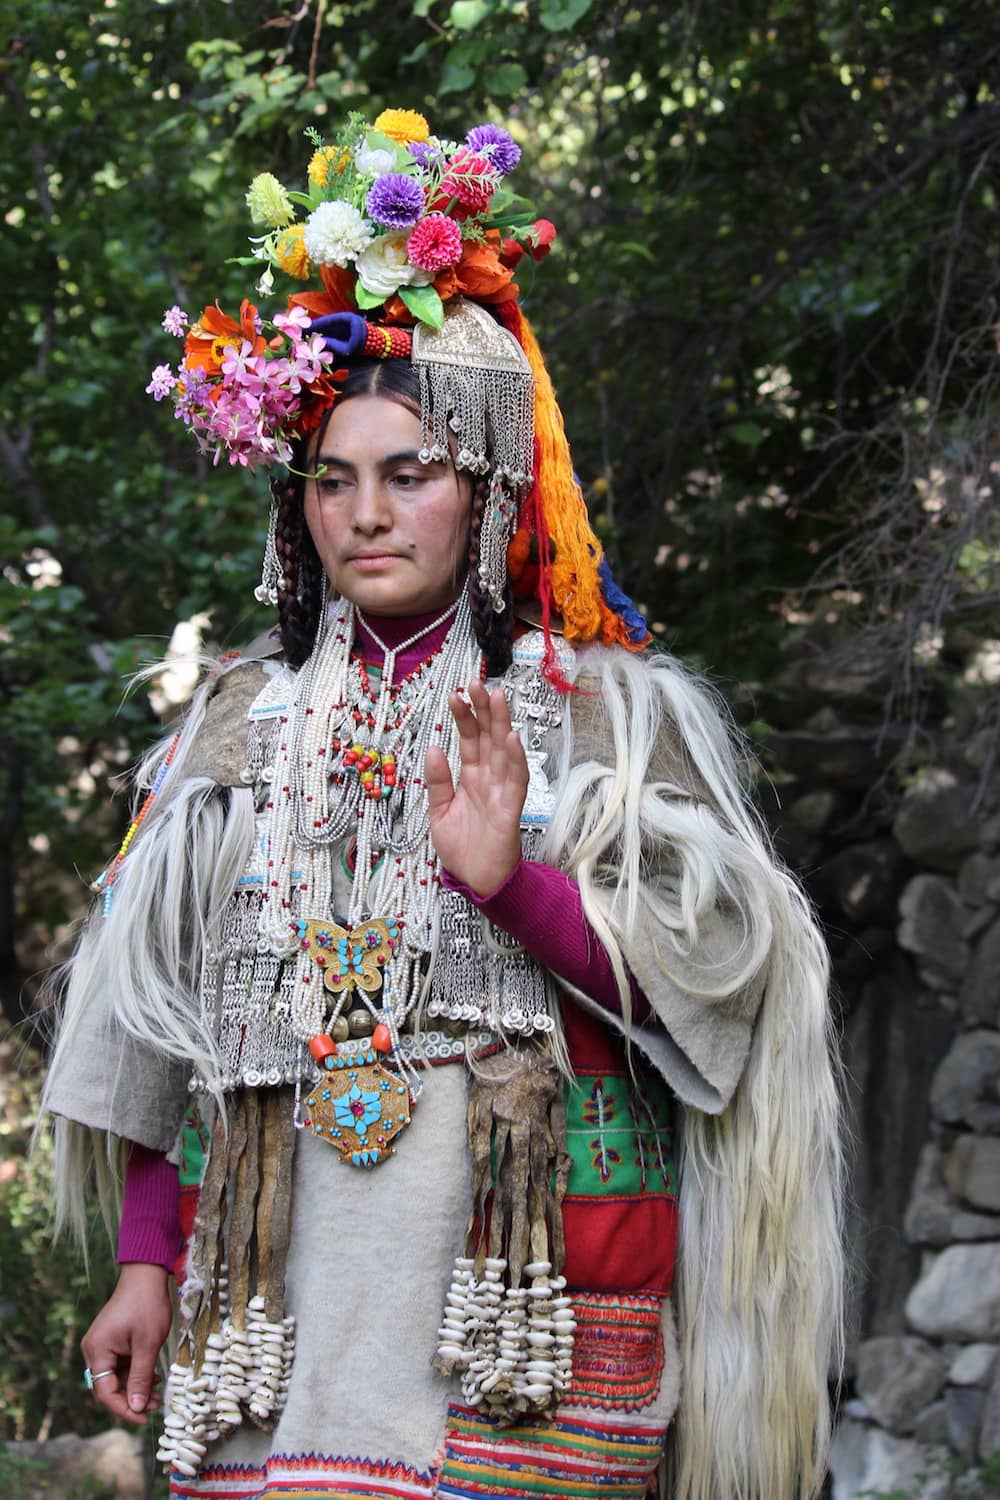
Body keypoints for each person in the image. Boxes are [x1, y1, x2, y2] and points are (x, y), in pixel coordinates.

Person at [42, 108, 844, 1500]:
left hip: (514, 1296)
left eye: (410, 477)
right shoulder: (238, 726)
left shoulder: (604, 710)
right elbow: (157, 1023)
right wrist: (141, 1259)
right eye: (331, 483)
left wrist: (509, 883)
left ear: (485, 491)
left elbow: (716, 997)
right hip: (271, 1292)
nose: (366, 515)